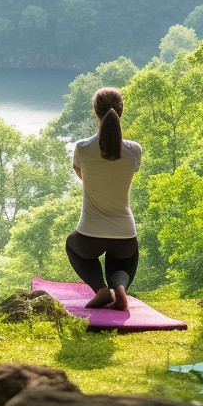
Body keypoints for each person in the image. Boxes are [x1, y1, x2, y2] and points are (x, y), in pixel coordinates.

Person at [66, 87, 142, 310]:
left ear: (95, 112)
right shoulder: (134, 150)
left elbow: (82, 175)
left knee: (72, 245)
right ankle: (119, 289)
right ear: (122, 110)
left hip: (89, 234)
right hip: (125, 234)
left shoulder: (83, 148)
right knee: (121, 260)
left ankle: (101, 289)